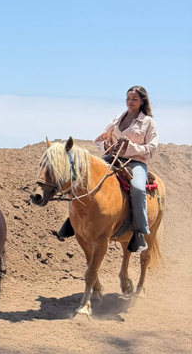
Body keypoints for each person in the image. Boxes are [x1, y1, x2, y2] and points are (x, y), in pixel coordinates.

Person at [56, 86, 159, 252]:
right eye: (128, 98)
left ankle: (139, 231)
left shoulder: (148, 123)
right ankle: (72, 221)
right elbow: (100, 139)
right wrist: (106, 145)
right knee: (80, 176)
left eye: (134, 99)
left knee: (138, 188)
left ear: (142, 101)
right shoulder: (117, 118)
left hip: (135, 162)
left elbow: (151, 148)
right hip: (111, 158)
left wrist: (129, 147)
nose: (130, 102)